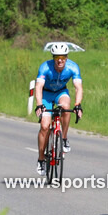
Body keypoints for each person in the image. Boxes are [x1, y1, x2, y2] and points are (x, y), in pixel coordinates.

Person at [34, 42, 83, 175]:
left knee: (66, 107)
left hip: (61, 92)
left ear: (66, 57)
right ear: (53, 57)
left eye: (62, 57)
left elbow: (78, 87)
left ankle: (64, 138)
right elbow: (38, 87)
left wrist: (78, 105)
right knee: (45, 126)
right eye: (56, 57)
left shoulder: (73, 67)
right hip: (46, 94)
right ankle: (41, 159)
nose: (59, 60)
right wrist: (39, 104)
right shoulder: (45, 67)